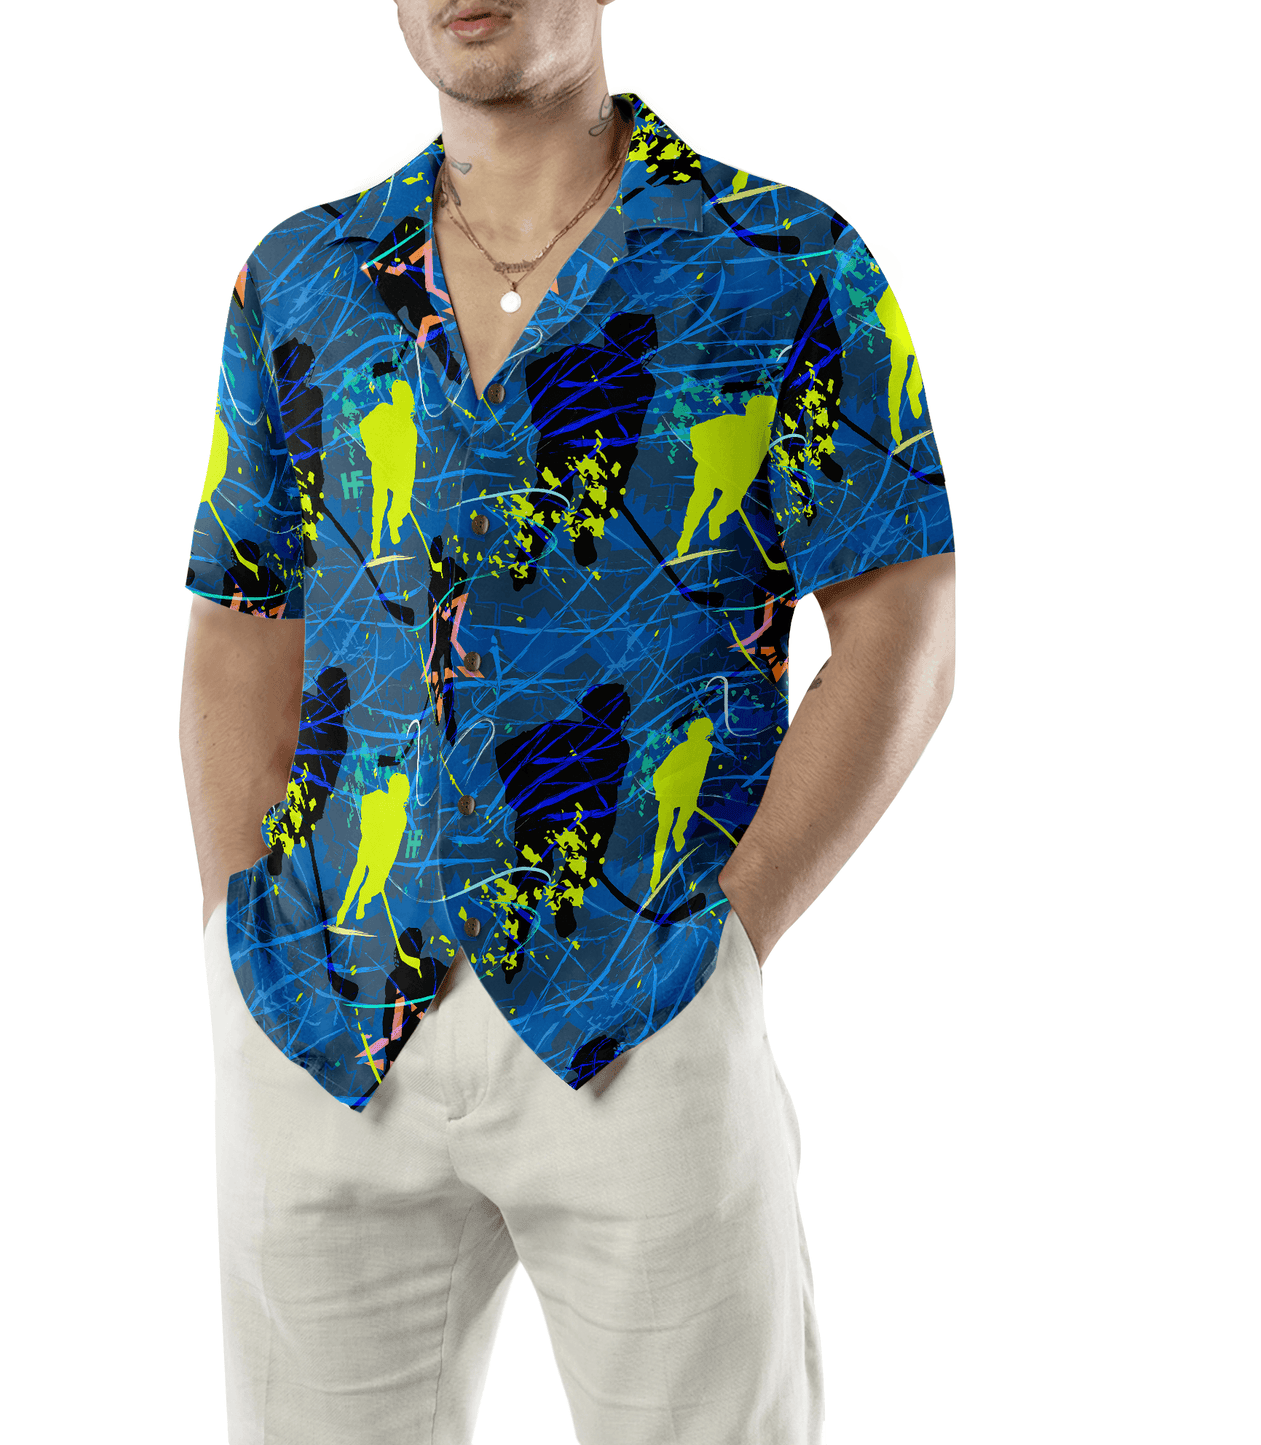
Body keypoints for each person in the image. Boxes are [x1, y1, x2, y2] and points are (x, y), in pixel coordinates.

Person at [178, 1, 956, 1440]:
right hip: (326, 1019)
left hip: (639, 1007)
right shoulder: (299, 278)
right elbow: (243, 620)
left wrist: (730, 940)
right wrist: (237, 923)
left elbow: (904, 618)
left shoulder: (783, 261)